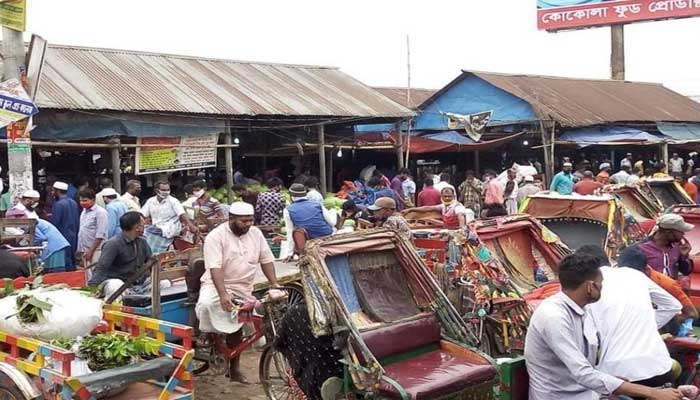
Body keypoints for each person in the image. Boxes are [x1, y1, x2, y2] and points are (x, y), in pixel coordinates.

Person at [525, 252, 684, 400]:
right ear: (590, 286)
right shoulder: (553, 316)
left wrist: (615, 383)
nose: (602, 288)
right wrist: (653, 393)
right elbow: (584, 374)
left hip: (586, 392)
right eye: (601, 284)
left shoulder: (581, 310)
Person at [195, 202, 279, 383]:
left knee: (238, 326)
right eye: (244, 221)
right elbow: (215, 268)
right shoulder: (215, 237)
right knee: (207, 304)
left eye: (251, 220)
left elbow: (266, 260)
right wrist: (224, 294)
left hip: (243, 288)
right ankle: (206, 337)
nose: (248, 224)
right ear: (230, 219)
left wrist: (274, 284)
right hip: (216, 285)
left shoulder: (256, 234)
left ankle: (234, 369)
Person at [579, 245, 682, 391]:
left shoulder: (587, 289)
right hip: (659, 367)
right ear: (607, 259)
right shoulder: (634, 275)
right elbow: (673, 306)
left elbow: (590, 341)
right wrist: (644, 325)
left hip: (618, 373)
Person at [619, 244, 697, 323]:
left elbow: (692, 313)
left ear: (646, 269)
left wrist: (664, 321)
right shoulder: (620, 278)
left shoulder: (667, 284)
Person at [88, 211, 154, 299]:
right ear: (137, 227)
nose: (145, 226)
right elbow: (101, 267)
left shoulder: (143, 242)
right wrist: (91, 289)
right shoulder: (113, 244)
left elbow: (152, 263)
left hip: (137, 284)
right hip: (116, 284)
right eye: (143, 224)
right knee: (116, 285)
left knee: (164, 283)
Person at [141, 181, 198, 254]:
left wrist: (191, 225)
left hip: (170, 228)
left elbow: (181, 214)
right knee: (143, 232)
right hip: (156, 226)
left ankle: (154, 254)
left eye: (168, 190)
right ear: (156, 190)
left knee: (149, 231)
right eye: (163, 190)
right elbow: (143, 214)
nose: (166, 192)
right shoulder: (151, 201)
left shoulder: (173, 201)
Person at [283, 184, 335, 256]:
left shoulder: (288, 210)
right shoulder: (317, 204)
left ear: (291, 196)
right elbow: (332, 223)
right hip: (328, 236)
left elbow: (290, 233)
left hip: (309, 241)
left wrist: (289, 253)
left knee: (296, 231)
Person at [639, 214, 693, 278]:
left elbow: (686, 271)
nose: (683, 234)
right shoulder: (640, 249)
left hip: (671, 286)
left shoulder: (677, 247)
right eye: (681, 231)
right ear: (669, 232)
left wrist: (684, 256)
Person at [405, 187, 473, 229]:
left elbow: (461, 217)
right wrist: (411, 209)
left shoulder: (457, 206)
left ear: (454, 196)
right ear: (441, 197)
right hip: (447, 231)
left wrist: (462, 231)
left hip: (455, 232)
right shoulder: (443, 206)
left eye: (449, 196)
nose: (447, 198)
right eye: (445, 196)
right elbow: (428, 208)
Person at [50, 181, 80, 266]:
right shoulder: (73, 203)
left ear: (58, 191)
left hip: (62, 236)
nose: (52, 193)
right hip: (73, 235)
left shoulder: (58, 204)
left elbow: (55, 223)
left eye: (53, 191)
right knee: (72, 258)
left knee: (65, 261)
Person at [77, 189, 108, 268]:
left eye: (85, 201)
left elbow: (100, 234)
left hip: (96, 250)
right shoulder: (84, 211)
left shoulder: (101, 212)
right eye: (80, 201)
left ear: (93, 200)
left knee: (95, 275)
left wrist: (91, 251)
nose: (82, 203)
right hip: (85, 249)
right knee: (87, 275)